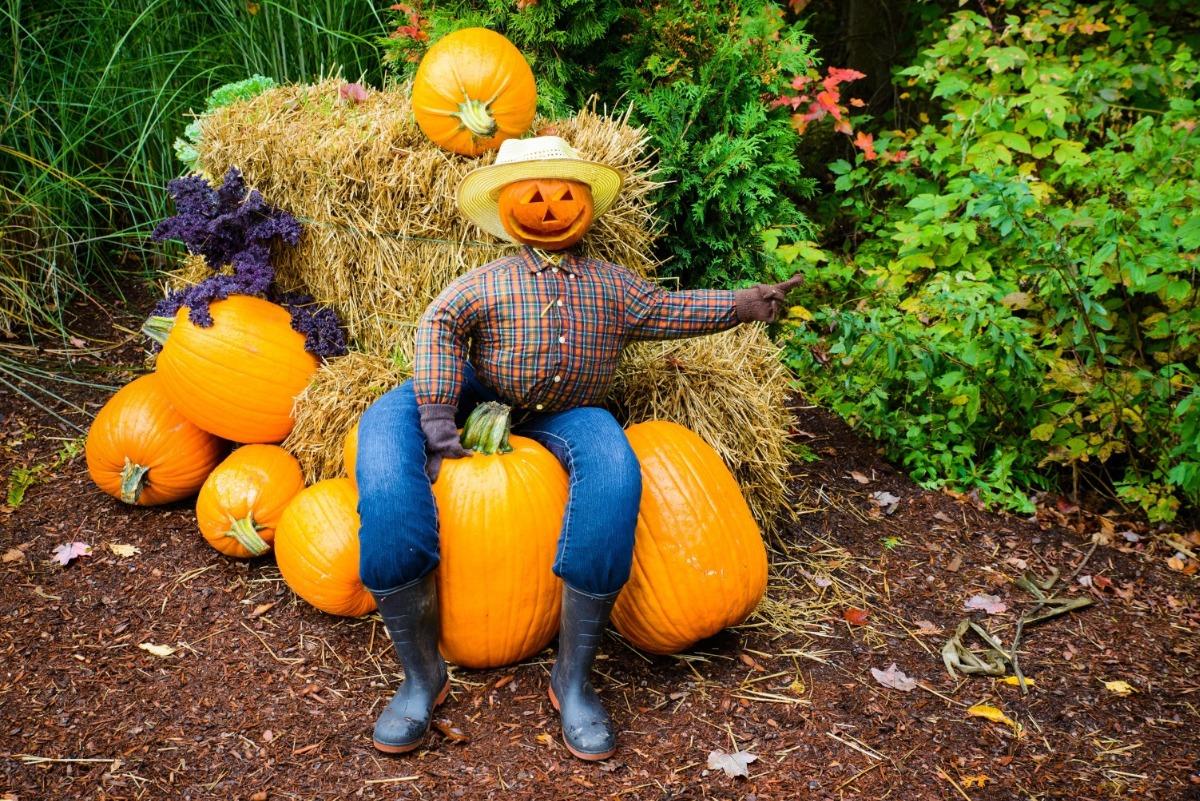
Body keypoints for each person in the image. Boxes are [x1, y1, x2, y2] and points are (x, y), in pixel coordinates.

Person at [355, 136, 801, 760]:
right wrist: (435, 414)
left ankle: (573, 676)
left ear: (587, 204)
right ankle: (420, 675)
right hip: (466, 397)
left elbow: (674, 310)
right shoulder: (487, 282)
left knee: (616, 472)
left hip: (565, 414)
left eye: (566, 194)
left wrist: (745, 304)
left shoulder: (616, 288)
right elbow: (439, 326)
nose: (549, 205)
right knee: (381, 459)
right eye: (534, 194)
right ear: (505, 205)